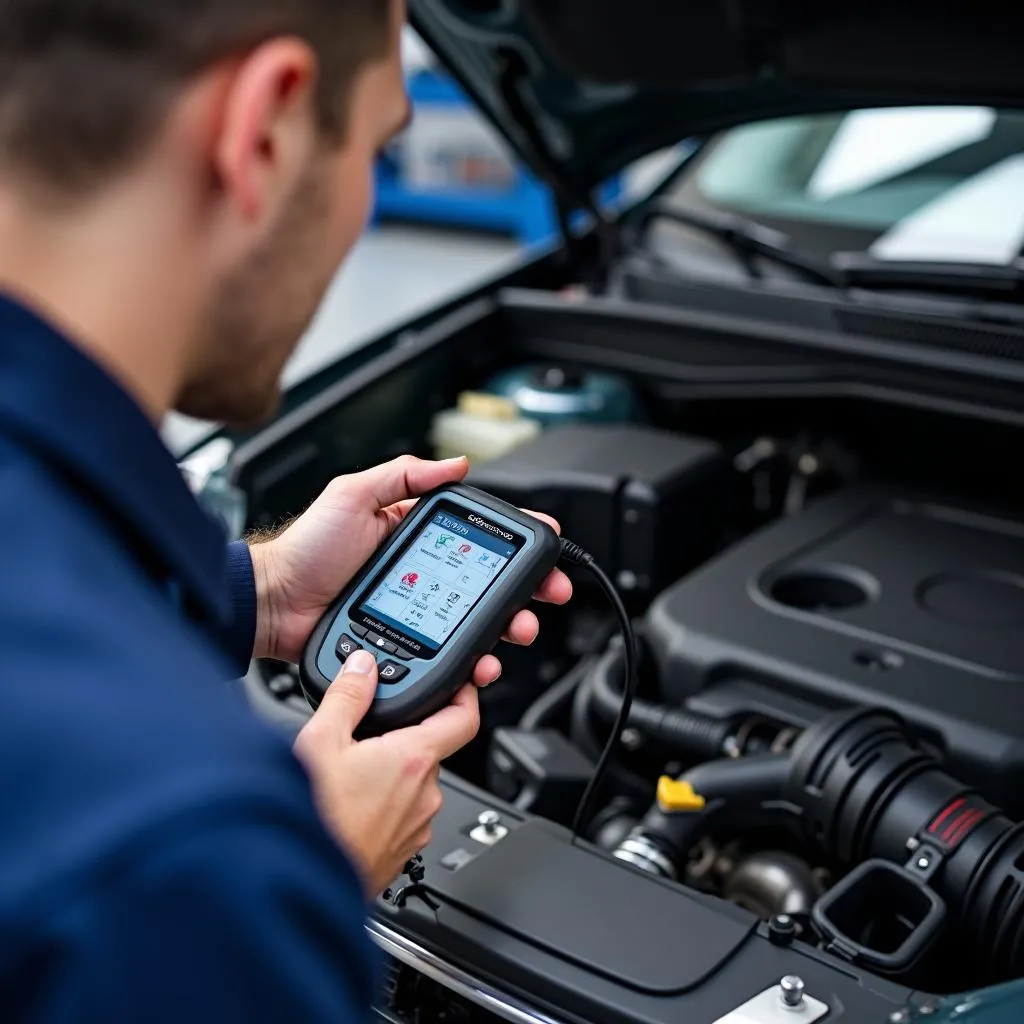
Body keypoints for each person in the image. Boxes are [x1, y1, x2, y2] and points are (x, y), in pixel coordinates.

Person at [0, 0, 572, 1020]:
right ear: (263, 129)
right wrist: (309, 868)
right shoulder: (190, 857)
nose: (361, 202)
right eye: (372, 144)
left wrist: (257, 592)